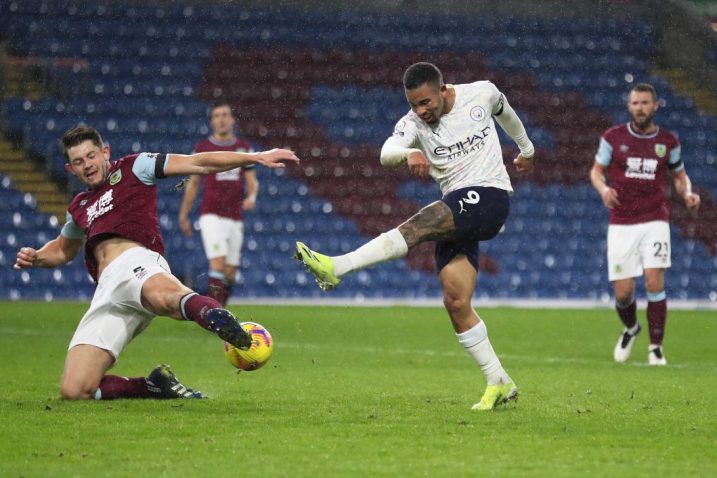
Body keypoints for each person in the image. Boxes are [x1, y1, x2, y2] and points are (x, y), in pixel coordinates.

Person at [294, 62, 535, 411]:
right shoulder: (413, 123)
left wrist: (526, 150)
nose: (421, 111)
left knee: (419, 224)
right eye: (414, 104)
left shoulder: (480, 92)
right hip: (457, 208)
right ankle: (499, 381)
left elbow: (506, 113)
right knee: (455, 301)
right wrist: (410, 151)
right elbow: (385, 152)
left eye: (426, 102)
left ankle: (338, 267)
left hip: (490, 196)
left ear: (442, 89)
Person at [14, 125, 298, 400]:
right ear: (70, 169)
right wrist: (37, 256)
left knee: (166, 298)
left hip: (137, 264)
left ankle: (215, 316)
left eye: (91, 156)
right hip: (107, 293)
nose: (87, 164)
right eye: (78, 161)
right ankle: (153, 386)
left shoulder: (134, 167)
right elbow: (63, 250)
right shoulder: (78, 206)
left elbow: (198, 163)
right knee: (75, 390)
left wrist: (254, 157)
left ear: (105, 152)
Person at [590, 83, 700, 366]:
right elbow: (596, 171)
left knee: (654, 280)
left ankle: (655, 348)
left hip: (655, 218)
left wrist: (687, 193)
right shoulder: (613, 137)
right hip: (621, 221)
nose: (640, 108)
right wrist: (604, 191)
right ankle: (631, 328)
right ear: (629, 106)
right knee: (624, 293)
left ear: (655, 106)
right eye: (635, 103)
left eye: (645, 103)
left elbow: (679, 175)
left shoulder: (668, 141)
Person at [178, 101, 258, 306]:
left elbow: (251, 180)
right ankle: (215, 316)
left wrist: (252, 197)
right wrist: (184, 214)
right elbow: (193, 183)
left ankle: (221, 308)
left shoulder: (243, 149)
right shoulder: (203, 148)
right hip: (211, 214)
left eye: (224, 115)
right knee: (218, 263)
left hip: (235, 216)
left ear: (232, 120)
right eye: (216, 116)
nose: (221, 119)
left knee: (230, 273)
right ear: (212, 121)